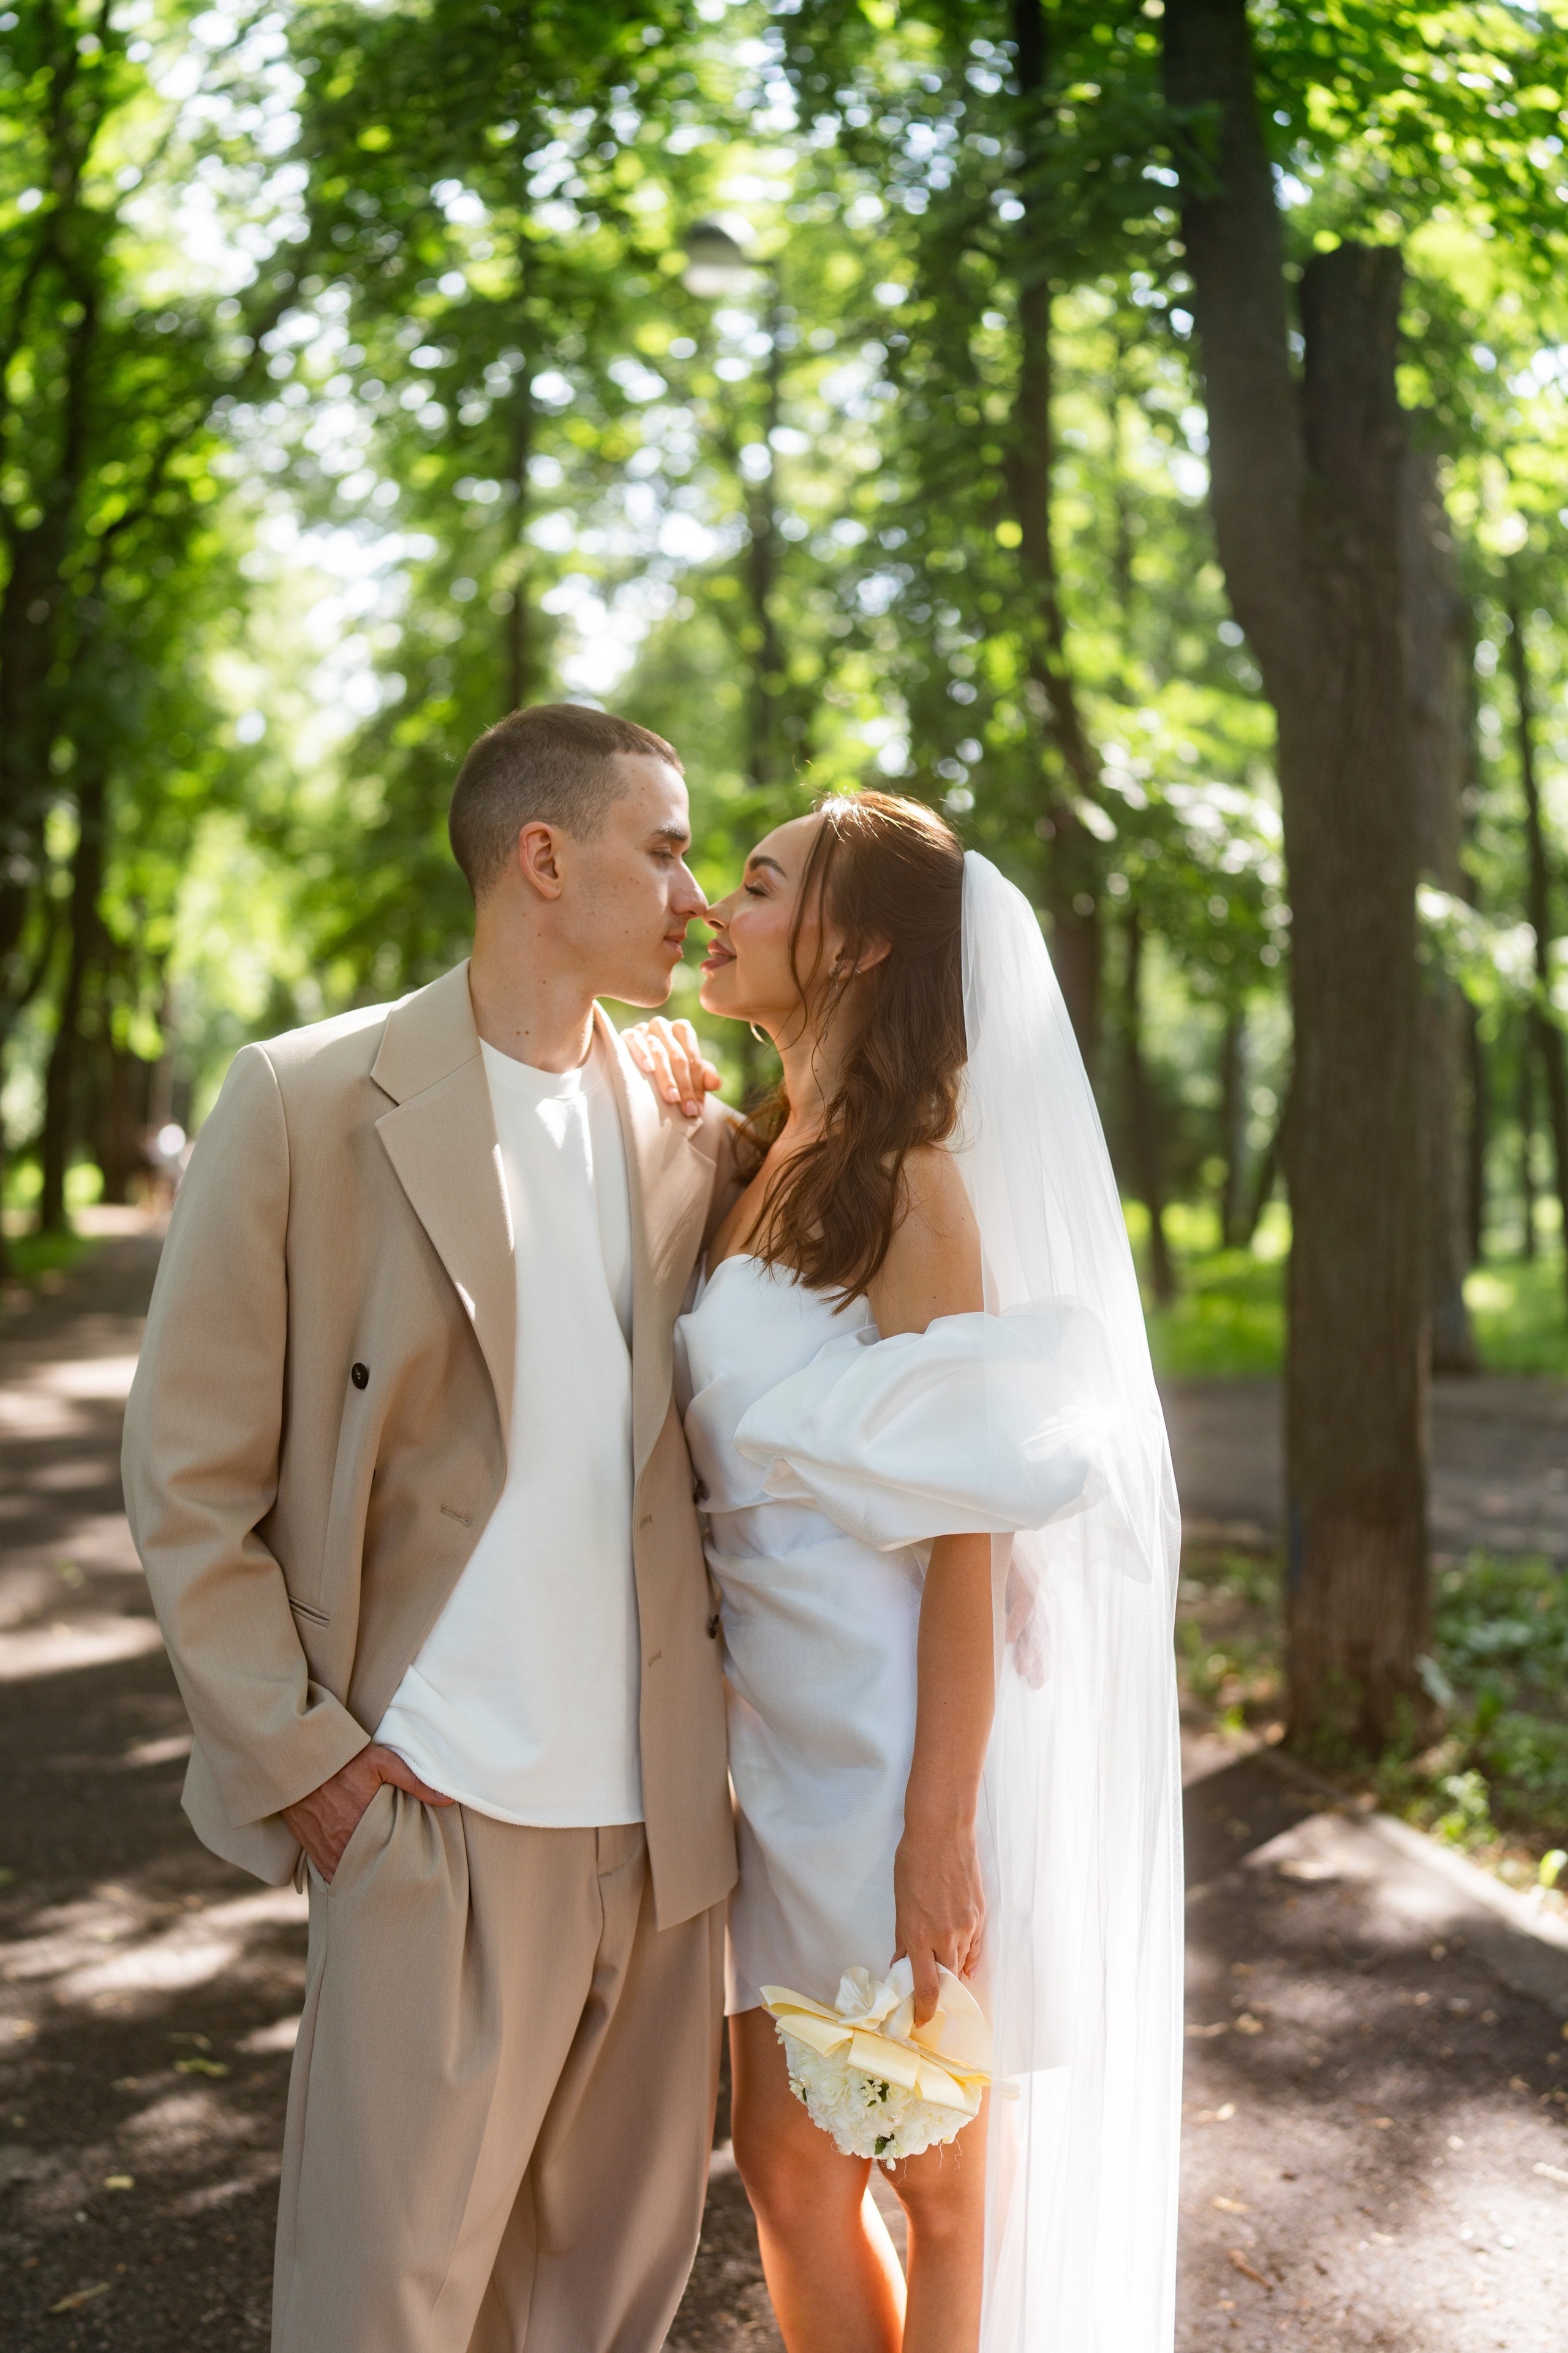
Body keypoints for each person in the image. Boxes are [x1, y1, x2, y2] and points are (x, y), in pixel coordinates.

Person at [121, 703, 740, 2353]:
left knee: (604, 2310)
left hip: (667, 1843)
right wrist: (300, 1755)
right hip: (434, 1811)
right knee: (383, 2312)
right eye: (666, 848)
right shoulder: (306, 1101)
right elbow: (188, 1471)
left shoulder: (690, 1120)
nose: (693, 896)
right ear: (546, 857)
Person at [627, 791, 1183, 2351]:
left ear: (856, 940)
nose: (708, 914)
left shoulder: (913, 1183)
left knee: (928, 2188)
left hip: (886, 1771)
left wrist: (937, 1830)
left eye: (751, 884)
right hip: (769, 1755)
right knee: (790, 2190)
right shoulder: (755, 1158)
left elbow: (968, 1531)